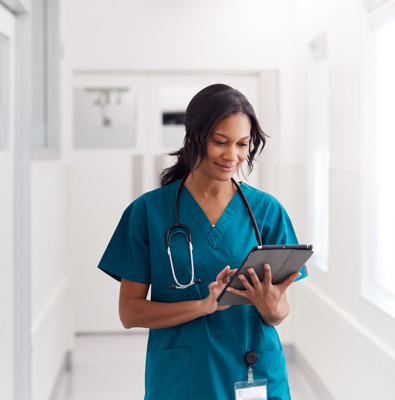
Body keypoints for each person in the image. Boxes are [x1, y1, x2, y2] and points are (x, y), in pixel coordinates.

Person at [98, 83, 307, 400]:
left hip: (252, 369)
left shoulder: (267, 212)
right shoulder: (148, 212)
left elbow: (279, 311)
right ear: (195, 137)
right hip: (183, 377)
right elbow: (130, 312)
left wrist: (271, 307)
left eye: (242, 144)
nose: (232, 155)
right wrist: (202, 306)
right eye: (220, 142)